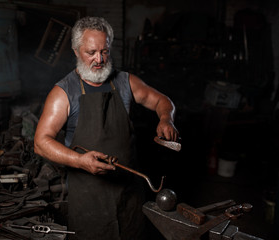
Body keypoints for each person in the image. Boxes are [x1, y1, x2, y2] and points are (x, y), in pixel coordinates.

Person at [34, 16, 179, 240]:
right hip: (88, 199)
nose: (99, 59)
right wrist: (80, 161)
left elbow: (162, 101)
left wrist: (165, 119)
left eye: (105, 51)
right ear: (75, 51)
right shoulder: (63, 93)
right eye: (91, 52)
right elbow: (41, 143)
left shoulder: (125, 82)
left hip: (129, 195)